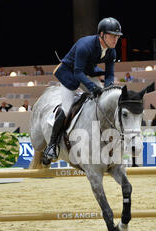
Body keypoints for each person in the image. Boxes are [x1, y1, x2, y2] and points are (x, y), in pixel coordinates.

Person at [42, 17, 122, 164]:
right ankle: (51, 146)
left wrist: (108, 89)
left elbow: (110, 74)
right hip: (70, 73)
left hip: (87, 73)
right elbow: (78, 72)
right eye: (112, 35)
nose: (115, 39)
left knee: (102, 102)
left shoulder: (112, 51)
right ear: (102, 35)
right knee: (66, 109)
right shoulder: (85, 45)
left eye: (117, 36)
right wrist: (93, 88)